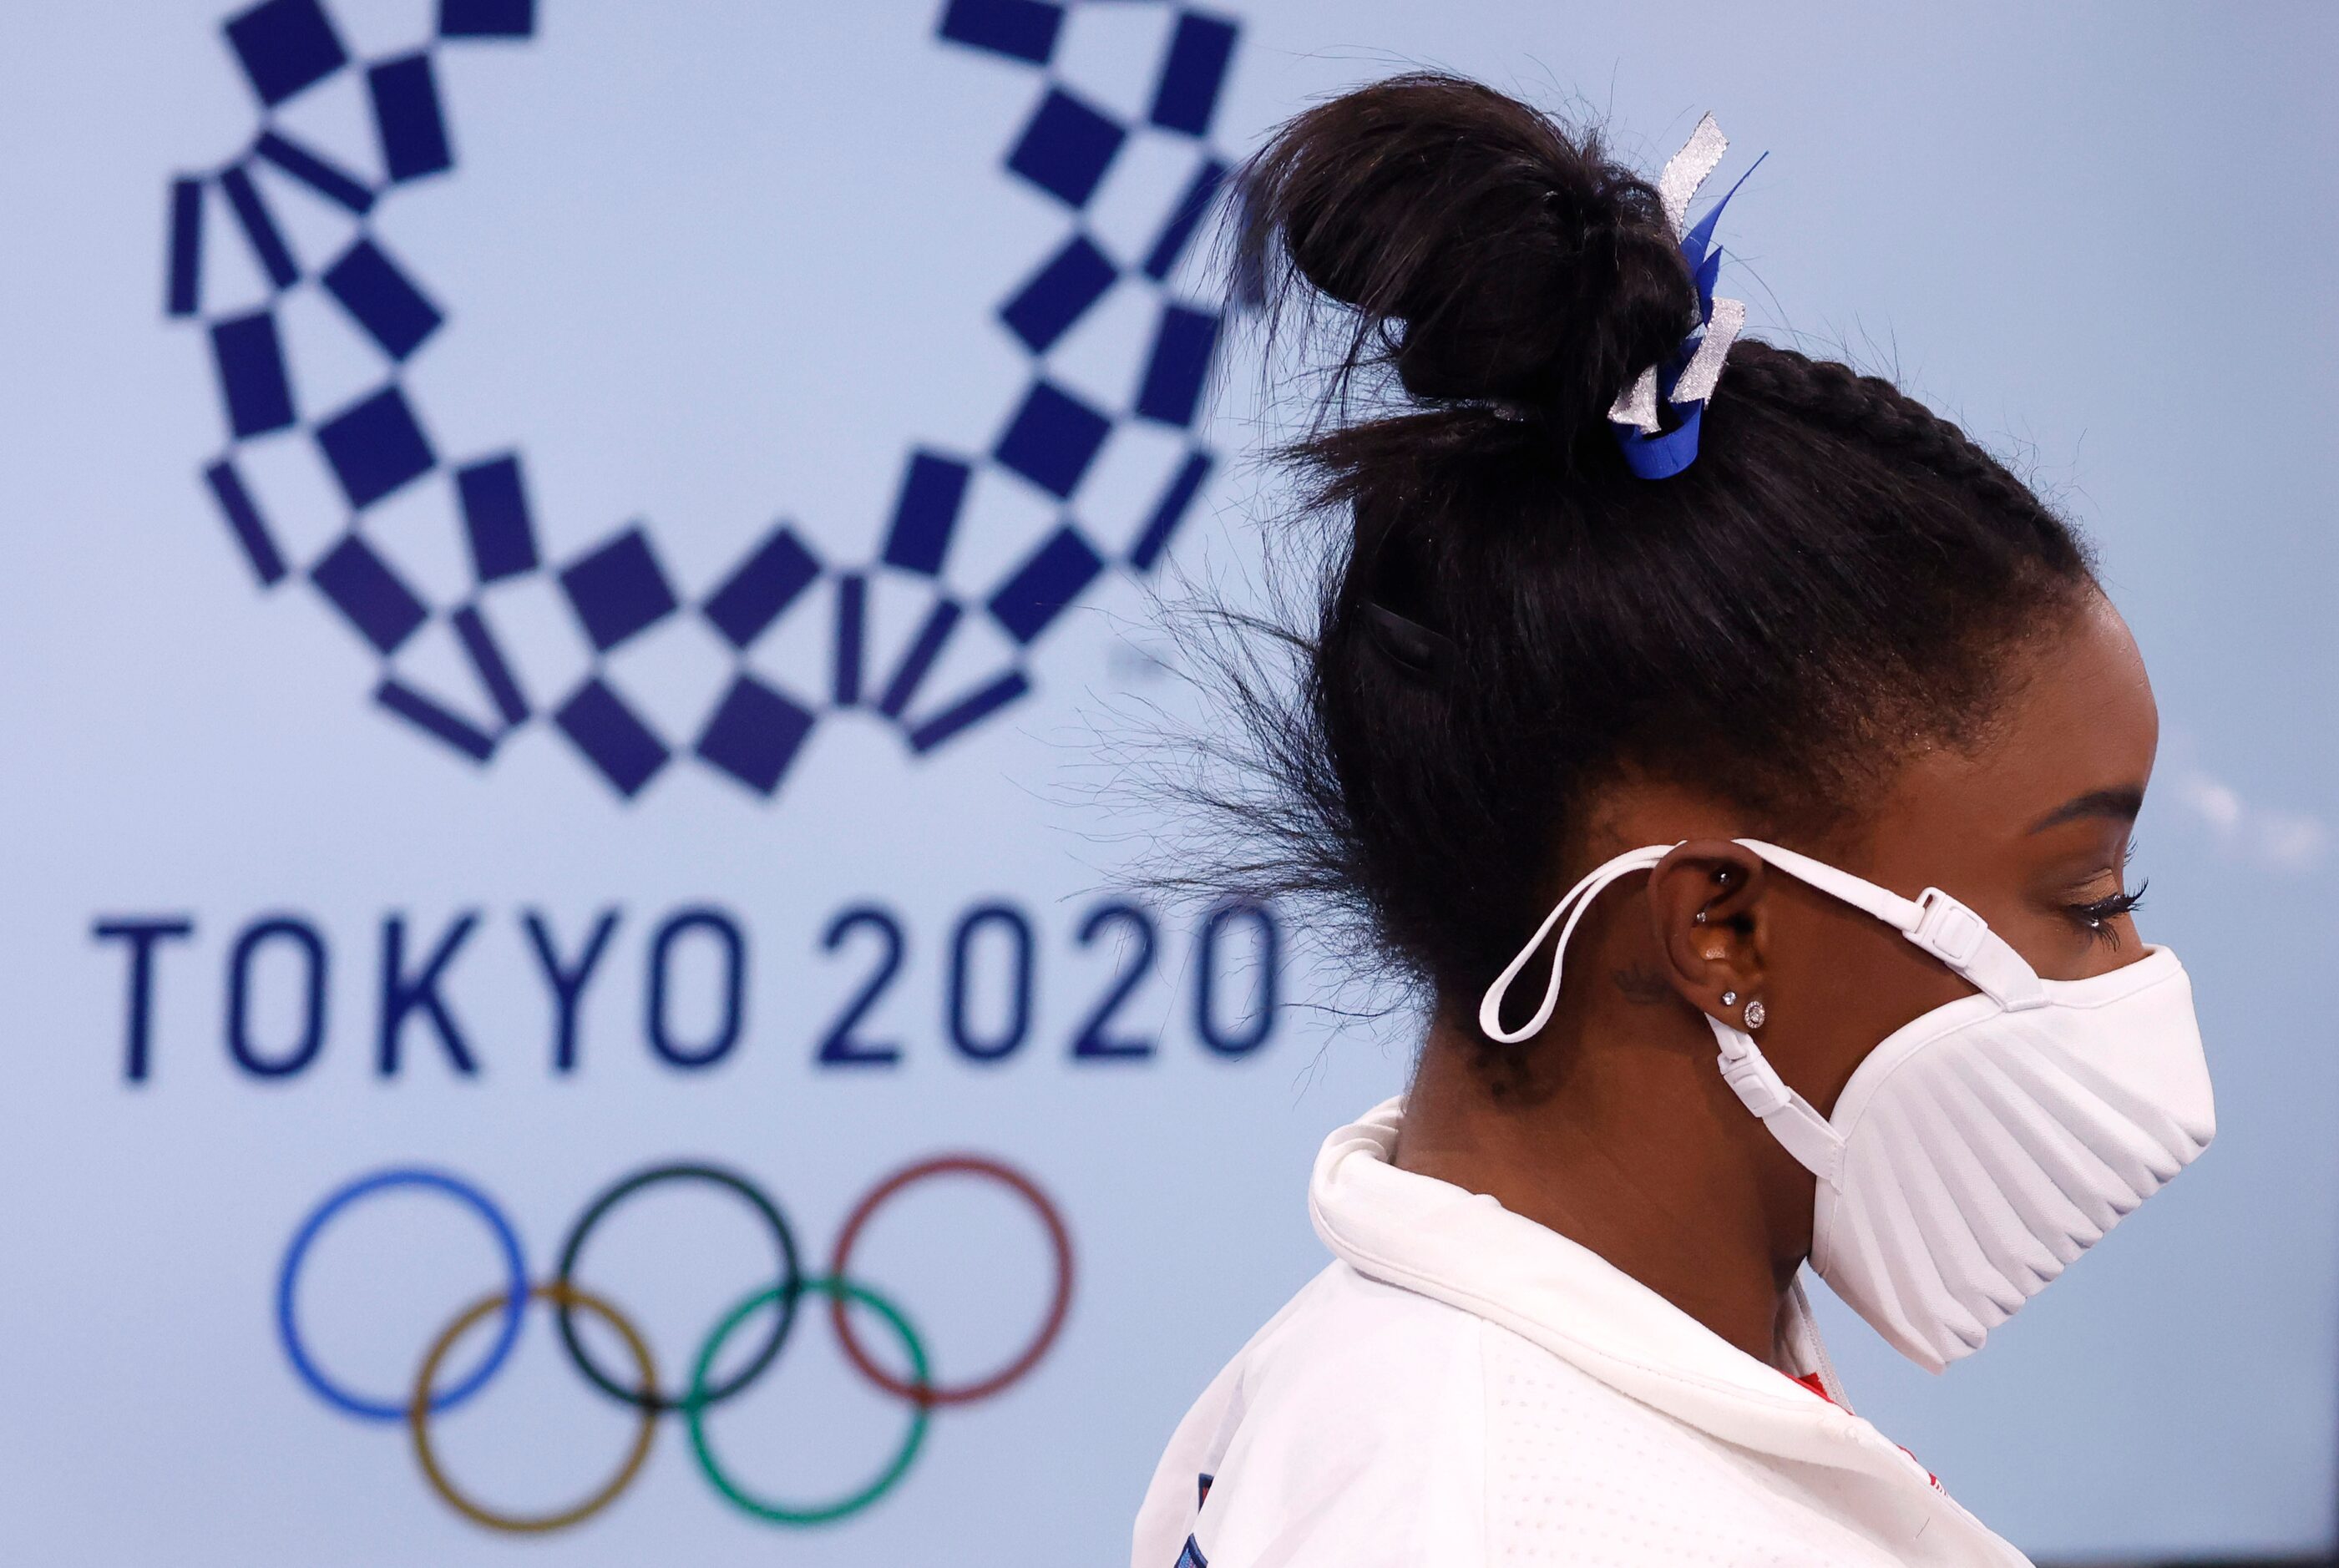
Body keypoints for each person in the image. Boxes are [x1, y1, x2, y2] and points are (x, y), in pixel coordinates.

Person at [1131, 73, 2214, 1567]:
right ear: (1721, 920)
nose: (2133, 979)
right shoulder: (1493, 1517)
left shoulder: (1496, 1395)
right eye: (2085, 896)